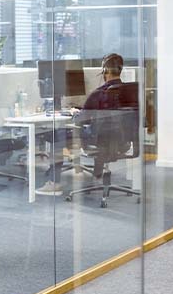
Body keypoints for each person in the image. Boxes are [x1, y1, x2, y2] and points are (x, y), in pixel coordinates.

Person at [36, 53, 126, 195]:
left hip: (98, 141)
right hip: (122, 141)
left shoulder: (98, 94)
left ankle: (54, 183)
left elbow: (81, 119)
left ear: (105, 71)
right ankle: (97, 173)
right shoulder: (130, 92)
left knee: (56, 136)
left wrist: (75, 113)